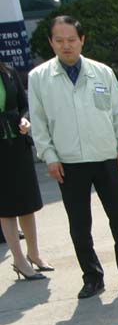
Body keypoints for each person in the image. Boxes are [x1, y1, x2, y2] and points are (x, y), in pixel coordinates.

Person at [28, 15, 118, 299]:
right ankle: (92, 277)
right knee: (79, 223)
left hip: (105, 157)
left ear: (82, 40)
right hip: (68, 162)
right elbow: (39, 123)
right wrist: (49, 156)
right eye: (60, 41)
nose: (66, 46)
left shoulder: (102, 72)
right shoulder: (39, 78)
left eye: (72, 40)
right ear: (51, 42)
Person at [1, 61, 50, 281]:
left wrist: (25, 120)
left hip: (18, 145)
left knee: (27, 202)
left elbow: (24, 105)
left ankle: (34, 254)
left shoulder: (8, 71)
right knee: (6, 207)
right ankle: (19, 260)